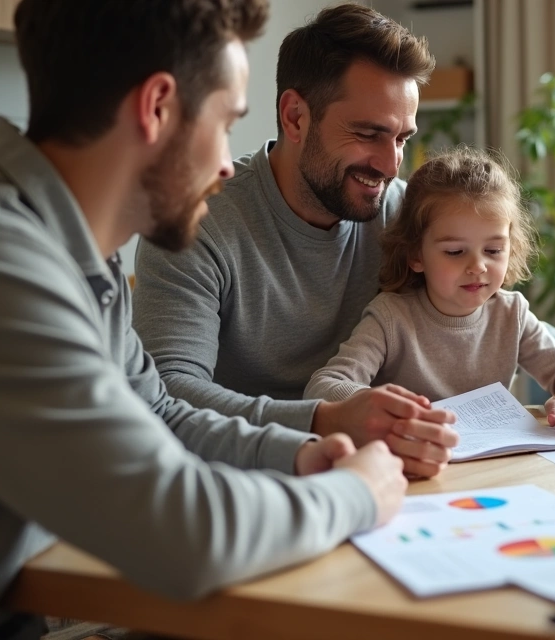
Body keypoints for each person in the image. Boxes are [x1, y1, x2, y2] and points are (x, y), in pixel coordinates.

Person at [0, 2, 408, 638]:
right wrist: (355, 496)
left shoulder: (73, 252)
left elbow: (159, 415)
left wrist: (305, 455)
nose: (227, 163)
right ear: (157, 107)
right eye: (226, 123)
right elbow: (183, 534)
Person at [132, 3, 459, 478]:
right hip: (238, 484)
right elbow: (167, 391)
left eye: (402, 138)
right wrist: (321, 422)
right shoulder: (197, 221)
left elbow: (492, 310)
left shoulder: (403, 216)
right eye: (369, 133)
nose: (391, 166)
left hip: (383, 482)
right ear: (295, 117)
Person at [304, 147, 555, 433]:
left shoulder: (510, 313)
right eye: (456, 252)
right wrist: (374, 404)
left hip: (491, 467)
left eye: (494, 250)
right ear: (416, 255)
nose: (478, 267)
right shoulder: (391, 318)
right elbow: (323, 386)